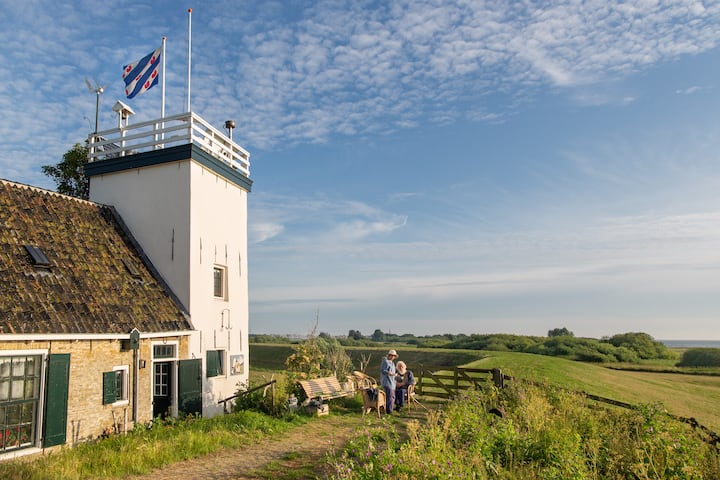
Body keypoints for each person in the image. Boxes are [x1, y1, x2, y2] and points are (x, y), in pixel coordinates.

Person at [380, 349, 397, 414]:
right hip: (387, 382)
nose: (393, 357)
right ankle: (389, 411)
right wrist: (389, 373)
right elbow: (382, 370)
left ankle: (389, 409)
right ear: (389, 355)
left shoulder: (392, 363)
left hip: (392, 382)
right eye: (391, 355)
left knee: (391, 397)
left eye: (394, 356)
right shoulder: (386, 362)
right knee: (390, 397)